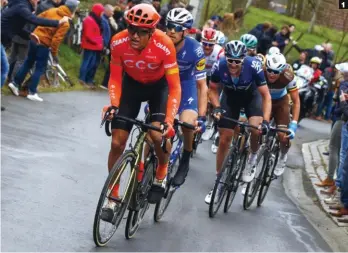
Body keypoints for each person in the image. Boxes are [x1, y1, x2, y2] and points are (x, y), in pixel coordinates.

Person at [101, 4, 181, 222]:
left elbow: (174, 87)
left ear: (152, 32)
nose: (134, 35)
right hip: (132, 87)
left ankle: (161, 171)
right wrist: (114, 104)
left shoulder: (165, 45)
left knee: (156, 135)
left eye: (140, 31)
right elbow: (115, 77)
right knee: (117, 143)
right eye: (131, 29)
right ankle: (112, 196)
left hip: (159, 89)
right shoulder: (118, 41)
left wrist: (169, 120)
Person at [204, 40, 272, 204]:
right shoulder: (219, 65)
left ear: (244, 59)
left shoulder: (253, 66)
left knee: (255, 130)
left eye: (237, 62)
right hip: (230, 98)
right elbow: (212, 89)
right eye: (230, 61)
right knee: (224, 139)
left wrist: (266, 121)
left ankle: (252, 159)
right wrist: (217, 107)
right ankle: (218, 182)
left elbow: (266, 96)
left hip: (251, 98)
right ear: (225, 58)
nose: (233, 65)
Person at [164, 8, 208, 186]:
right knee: (154, 132)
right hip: (166, 85)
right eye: (169, 26)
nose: (172, 30)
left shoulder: (195, 50)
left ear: (186, 31)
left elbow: (202, 85)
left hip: (186, 86)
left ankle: (186, 157)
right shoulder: (160, 42)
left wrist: (203, 117)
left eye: (177, 27)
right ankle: (149, 169)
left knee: (188, 124)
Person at [8, 0, 79, 102]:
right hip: (44, 44)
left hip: (35, 38)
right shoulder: (65, 22)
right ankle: (32, 92)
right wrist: (54, 54)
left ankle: (15, 83)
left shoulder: (53, 10)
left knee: (28, 62)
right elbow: (56, 40)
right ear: (73, 9)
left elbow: (38, 18)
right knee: (40, 67)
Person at [264, 52, 300, 176]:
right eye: (269, 70)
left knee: (282, 135)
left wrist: (294, 124)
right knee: (255, 128)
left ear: (282, 70)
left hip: (281, 102)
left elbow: (296, 102)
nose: (271, 74)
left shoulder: (288, 76)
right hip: (264, 100)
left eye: (275, 72)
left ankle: (283, 156)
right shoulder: (260, 71)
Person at [199, 27, 224, 141]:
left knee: (210, 100)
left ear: (215, 43)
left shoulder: (219, 52)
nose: (207, 47)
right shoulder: (197, 48)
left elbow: (222, 71)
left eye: (210, 44)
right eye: (205, 43)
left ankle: (209, 123)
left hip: (213, 77)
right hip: (199, 75)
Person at [78, 3, 104, 88]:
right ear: (98, 11)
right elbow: (88, 35)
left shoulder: (95, 19)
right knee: (87, 62)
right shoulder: (89, 20)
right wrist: (98, 42)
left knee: (91, 63)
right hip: (90, 45)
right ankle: (82, 79)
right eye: (101, 11)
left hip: (94, 46)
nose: (102, 14)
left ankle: (86, 80)